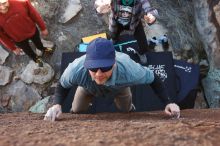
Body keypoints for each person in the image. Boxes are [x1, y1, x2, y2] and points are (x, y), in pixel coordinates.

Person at [44, 38, 180, 122]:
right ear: (86, 64)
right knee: (77, 109)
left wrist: (168, 102)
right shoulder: (76, 69)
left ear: (114, 63)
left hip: (120, 88)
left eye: (104, 67)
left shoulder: (129, 68)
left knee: (126, 110)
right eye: (93, 68)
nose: (98, 74)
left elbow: (153, 78)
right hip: (87, 88)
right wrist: (57, 104)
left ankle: (129, 107)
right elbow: (62, 85)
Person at [0, 0, 54, 67]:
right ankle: (35, 58)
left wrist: (43, 28)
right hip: (18, 39)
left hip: (32, 30)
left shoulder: (21, 2)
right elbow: (2, 37)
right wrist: (13, 48)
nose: (2, 7)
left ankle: (42, 49)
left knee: (38, 42)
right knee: (28, 50)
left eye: (4, 3)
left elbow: (34, 14)